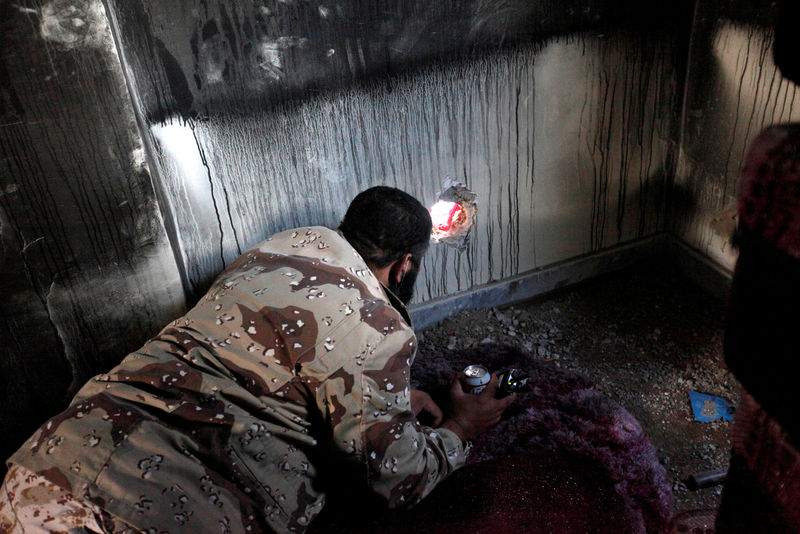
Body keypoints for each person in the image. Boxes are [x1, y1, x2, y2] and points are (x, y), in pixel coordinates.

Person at [0, 186, 515, 533]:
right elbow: (397, 479)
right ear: (405, 264)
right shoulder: (379, 327)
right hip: (154, 515)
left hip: (43, 469)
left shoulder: (276, 249)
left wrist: (389, 401)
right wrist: (461, 429)